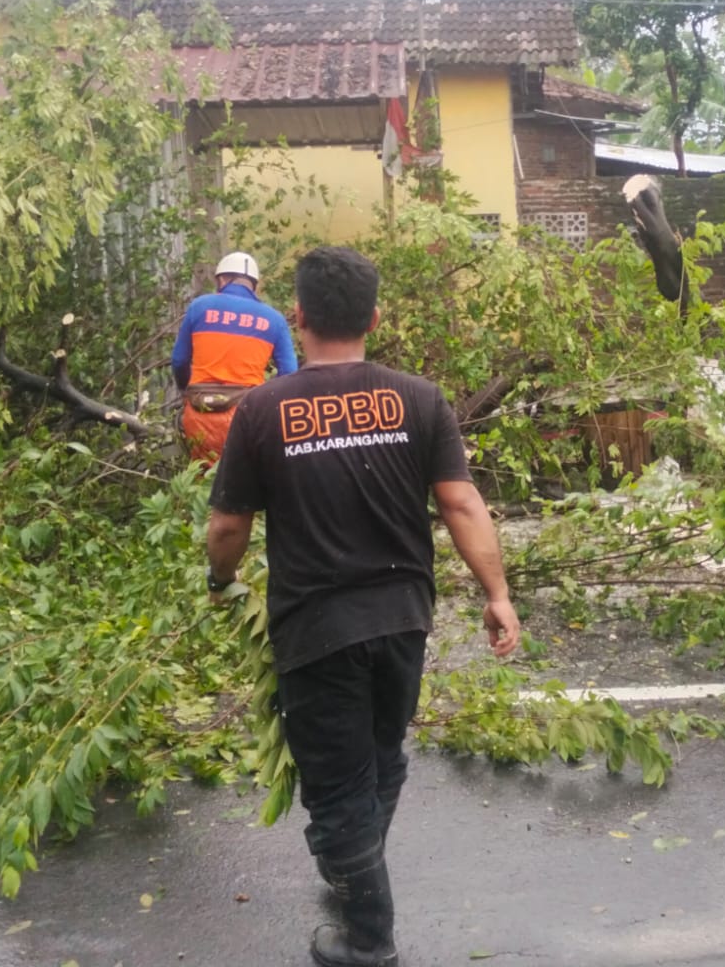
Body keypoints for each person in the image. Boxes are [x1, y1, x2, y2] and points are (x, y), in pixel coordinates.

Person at [204, 246, 520, 967]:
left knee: (338, 789)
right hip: (405, 619)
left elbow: (227, 527)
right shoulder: (419, 398)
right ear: (374, 317)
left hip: (317, 631)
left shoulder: (261, 409)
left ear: (299, 316)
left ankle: (370, 941)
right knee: (380, 759)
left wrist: (219, 583)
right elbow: (462, 502)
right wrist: (497, 595)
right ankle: (358, 875)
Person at [171, 251, 298, 462]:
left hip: (199, 413)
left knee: (202, 485)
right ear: (254, 285)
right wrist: (263, 400)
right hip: (247, 415)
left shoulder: (199, 307)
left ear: (221, 279)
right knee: (248, 483)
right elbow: (289, 373)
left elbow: (179, 361)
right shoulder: (274, 319)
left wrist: (186, 391)